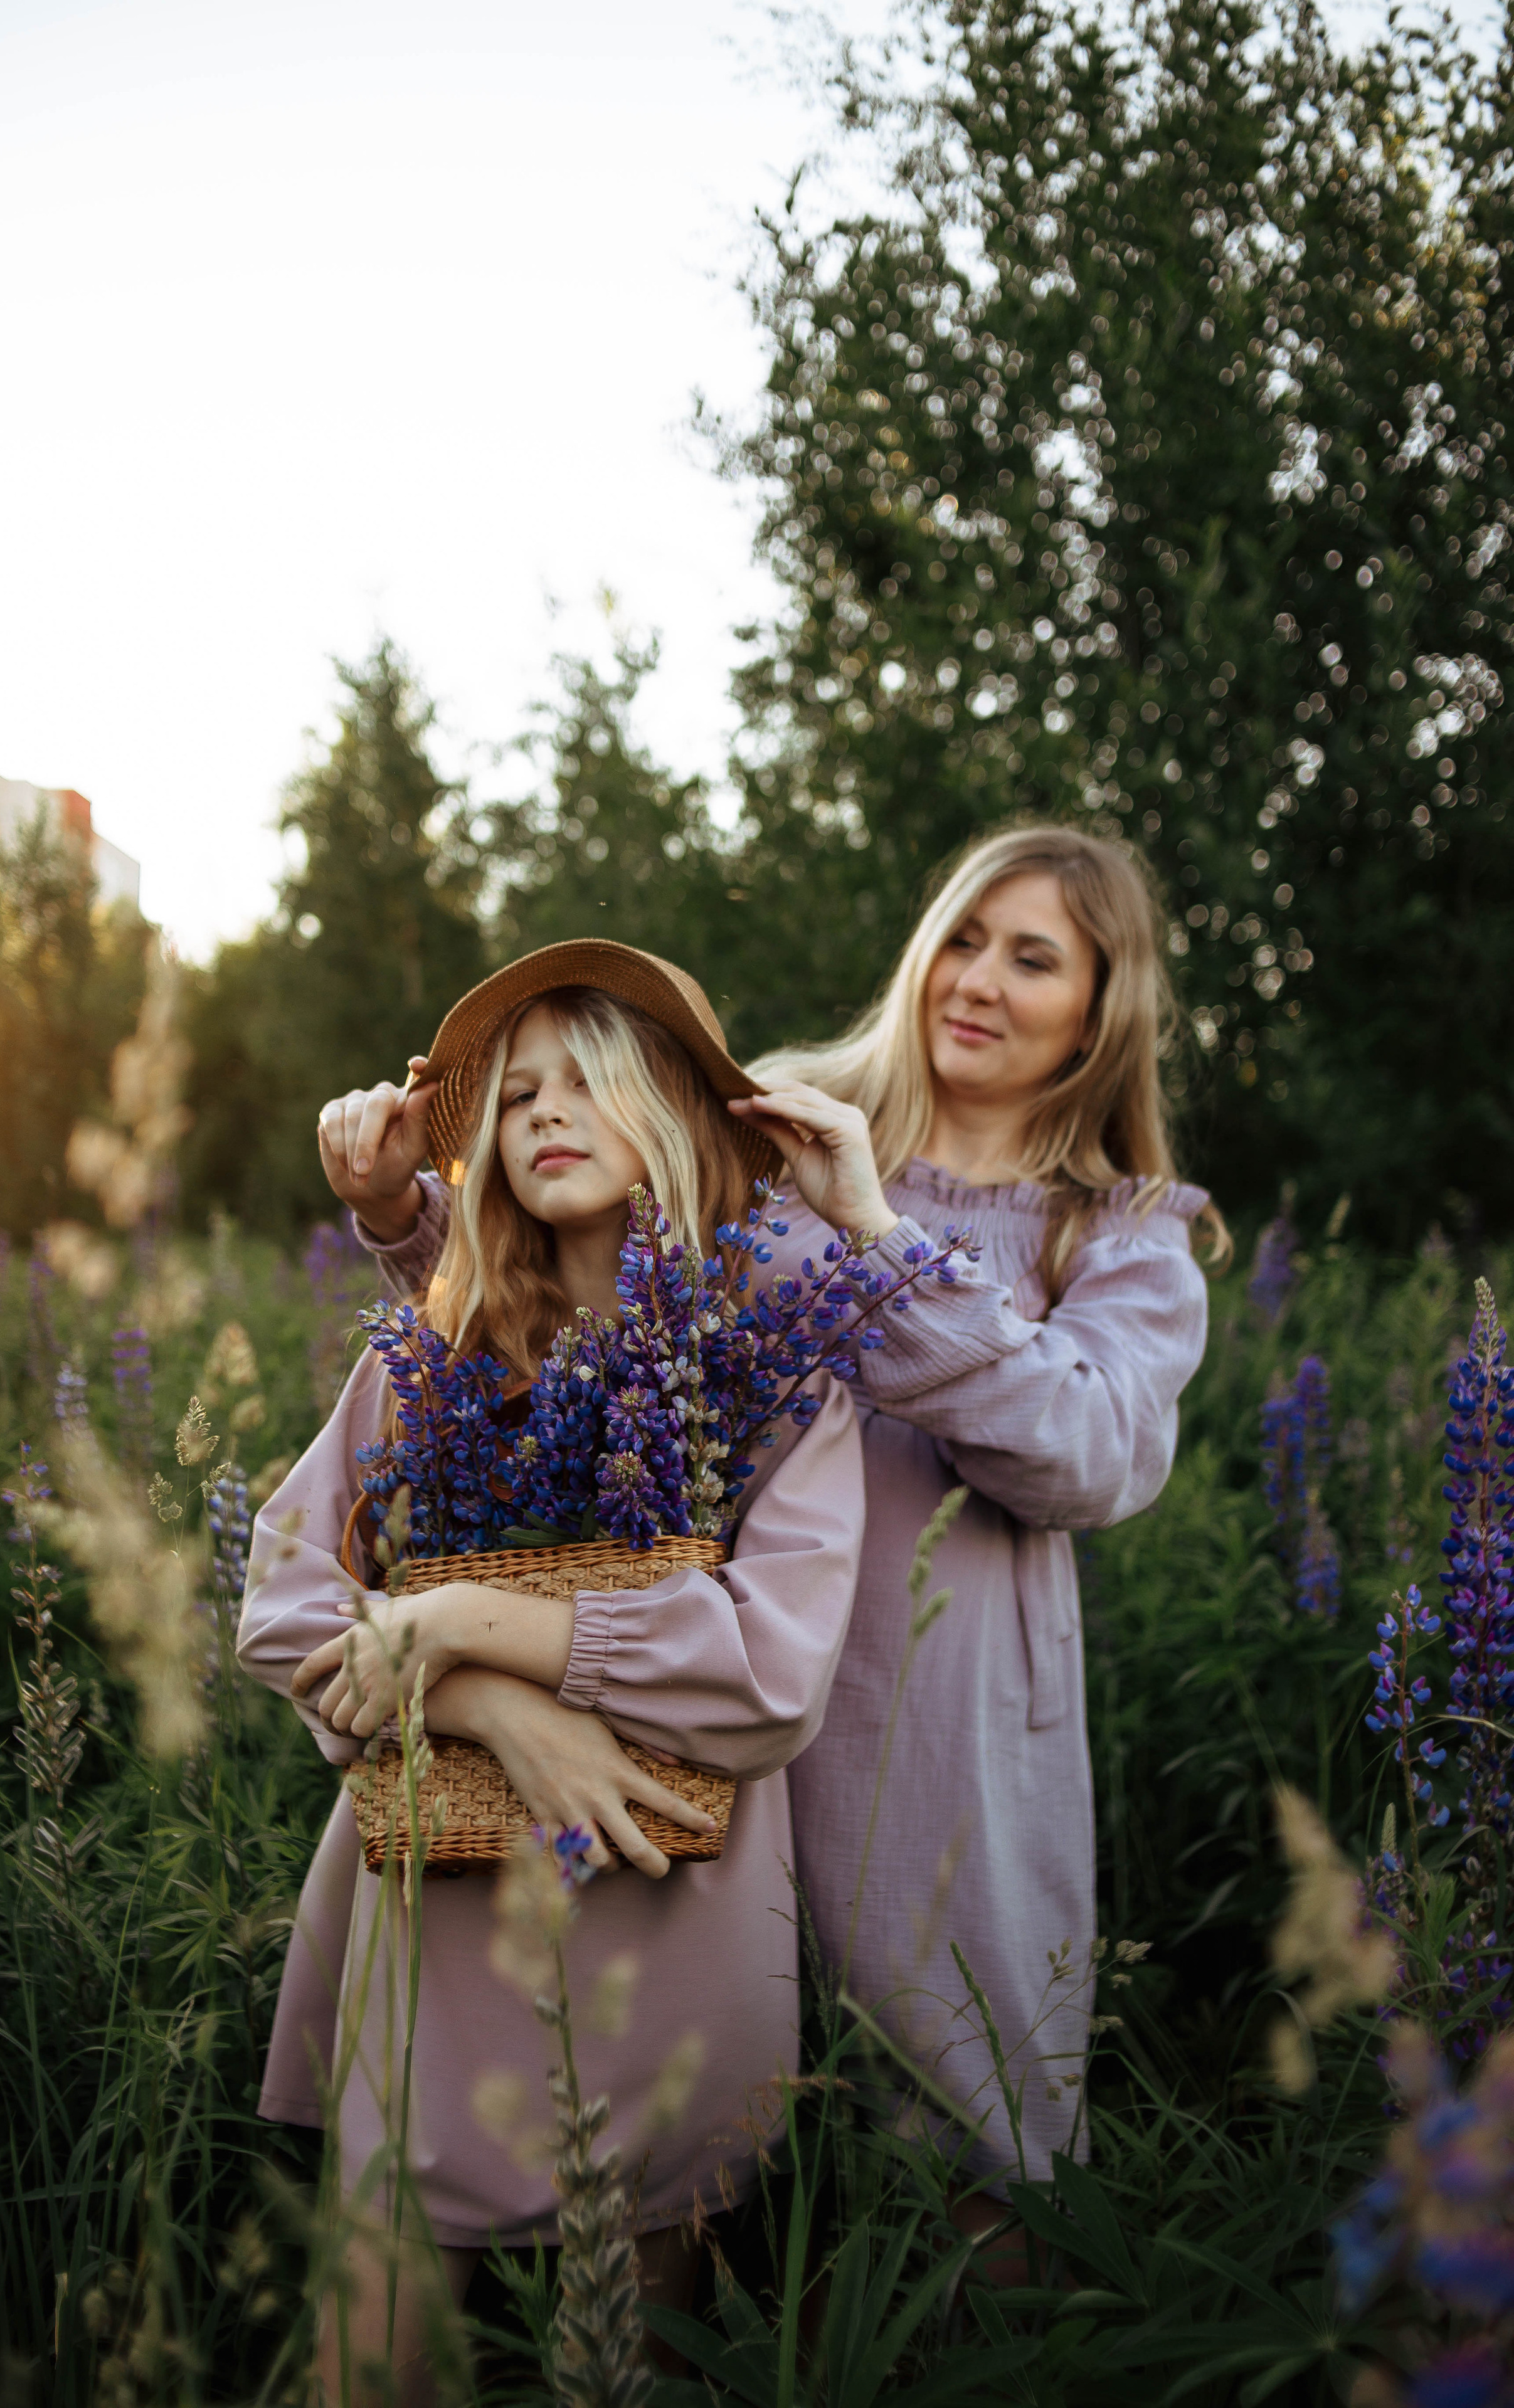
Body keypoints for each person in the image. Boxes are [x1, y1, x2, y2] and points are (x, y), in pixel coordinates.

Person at [320, 823, 1224, 2277]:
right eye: (963, 935)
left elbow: (1088, 1454)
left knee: (959, 2117)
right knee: (694, 2121)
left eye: (1033, 956)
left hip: (928, 1717)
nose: (976, 978)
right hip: (689, 1672)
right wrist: (398, 1210)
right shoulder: (781, 1123)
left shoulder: (1114, 1236)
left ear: (1098, 1010)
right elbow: (563, 1295)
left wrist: (876, 1235)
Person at [240, 944, 865, 2403]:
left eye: (589, 1080)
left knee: (632, 2360)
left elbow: (773, 1680)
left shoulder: (770, 1367)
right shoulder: (436, 1346)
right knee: (364, 2356)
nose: (543, 1112)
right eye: (515, 1094)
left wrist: (462, 1616)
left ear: (680, 1113)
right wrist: (491, 1710)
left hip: (667, 1919)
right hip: (438, 1922)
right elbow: (281, 1605)